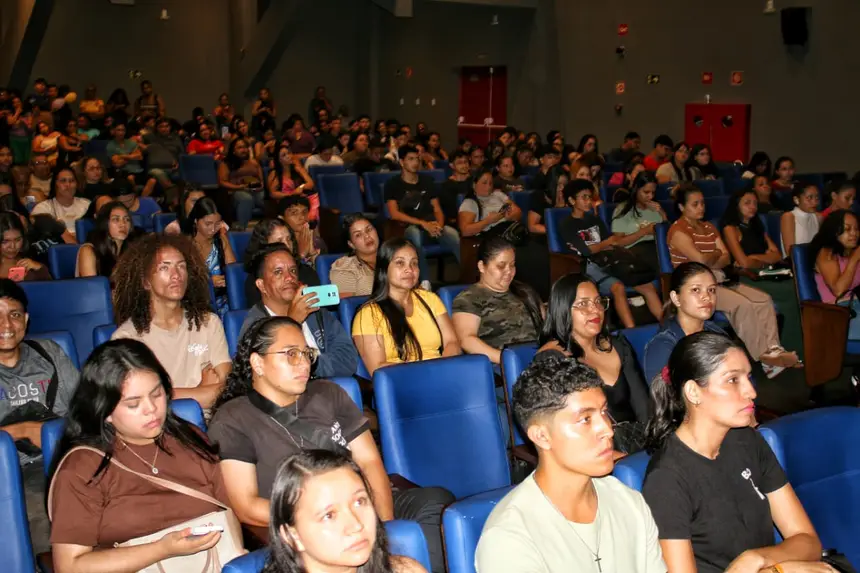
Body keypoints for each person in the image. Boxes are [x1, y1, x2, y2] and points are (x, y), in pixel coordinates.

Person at [208, 316, 455, 573]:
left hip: (360, 501)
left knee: (435, 501)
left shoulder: (328, 393)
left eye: (307, 353)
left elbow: (369, 461)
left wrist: (381, 527)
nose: (303, 362)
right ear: (258, 363)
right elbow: (246, 505)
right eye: (291, 354)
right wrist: (317, 515)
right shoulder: (233, 418)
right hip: (305, 520)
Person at [642, 332, 828, 573]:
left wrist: (757, 559)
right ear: (693, 392)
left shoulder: (747, 440)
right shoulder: (667, 478)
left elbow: (808, 541)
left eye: (749, 377)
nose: (751, 391)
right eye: (733, 380)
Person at [48, 339, 232, 572]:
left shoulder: (189, 439)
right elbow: (70, 566)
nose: (151, 409)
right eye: (133, 404)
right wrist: (162, 549)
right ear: (105, 412)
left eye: (157, 395)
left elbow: (231, 509)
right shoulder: (84, 467)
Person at [475, 354, 665, 572]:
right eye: (585, 419)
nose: (607, 429)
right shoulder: (510, 537)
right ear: (542, 436)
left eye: (604, 412)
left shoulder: (629, 502)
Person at [668, 184, 799, 375]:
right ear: (681, 207)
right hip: (695, 287)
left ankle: (773, 350)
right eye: (695, 204)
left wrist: (710, 257)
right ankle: (765, 356)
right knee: (742, 304)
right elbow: (700, 260)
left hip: (720, 279)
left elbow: (727, 257)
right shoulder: (678, 231)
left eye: (702, 203)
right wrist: (713, 255)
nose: (701, 208)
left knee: (763, 299)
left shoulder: (709, 227)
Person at [111, 234, 231, 408]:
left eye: (181, 266)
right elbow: (144, 403)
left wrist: (169, 394)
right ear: (145, 282)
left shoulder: (209, 323)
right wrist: (200, 391)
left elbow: (227, 390)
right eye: (164, 268)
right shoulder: (126, 338)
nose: (176, 275)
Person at [536, 274, 650, 455]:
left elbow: (645, 409)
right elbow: (566, 432)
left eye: (598, 302)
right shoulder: (552, 360)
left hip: (635, 444)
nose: (595, 310)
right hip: (590, 454)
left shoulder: (619, 346)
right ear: (563, 309)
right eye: (583, 304)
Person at [262, 450, 427, 573]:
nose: (356, 525)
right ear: (292, 535)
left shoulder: (406, 570)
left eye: (359, 502)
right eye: (329, 515)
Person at [239, 244, 358, 378]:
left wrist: (313, 363)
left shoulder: (315, 310)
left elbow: (349, 360)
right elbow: (265, 374)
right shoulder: (254, 324)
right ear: (261, 285)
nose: (289, 277)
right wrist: (292, 323)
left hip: (324, 390)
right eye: (278, 272)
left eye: (293, 271)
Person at [558, 179, 663, 328]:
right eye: (584, 197)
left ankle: (666, 325)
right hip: (588, 265)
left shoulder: (594, 219)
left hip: (609, 260)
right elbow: (588, 250)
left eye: (590, 197)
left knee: (647, 286)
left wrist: (602, 245)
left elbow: (611, 241)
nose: (588, 201)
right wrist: (604, 245)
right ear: (571, 200)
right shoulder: (567, 224)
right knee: (618, 287)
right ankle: (631, 330)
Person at [352, 238, 460, 376]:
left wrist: (443, 369)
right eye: (400, 263)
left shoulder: (430, 299)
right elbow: (377, 369)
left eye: (414, 263)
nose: (409, 269)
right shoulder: (368, 315)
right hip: (403, 382)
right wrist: (428, 373)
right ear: (384, 268)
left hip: (441, 374)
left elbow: (452, 342)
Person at [0, 278, 78, 465]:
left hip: (64, 458)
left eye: (15, 315)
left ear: (26, 320)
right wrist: (23, 430)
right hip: (10, 470)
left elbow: (86, 409)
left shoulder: (49, 352)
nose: (7, 325)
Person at [452, 237, 542, 364]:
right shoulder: (469, 298)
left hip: (540, 361)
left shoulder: (524, 291)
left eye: (512, 265)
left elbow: (546, 326)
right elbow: (467, 340)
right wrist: (510, 361)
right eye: (501, 266)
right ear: (482, 266)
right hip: (502, 367)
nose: (509, 271)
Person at [642, 262, 731, 384]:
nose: (707, 297)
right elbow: (665, 398)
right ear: (676, 298)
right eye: (696, 290)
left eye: (711, 290)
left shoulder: (717, 332)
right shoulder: (663, 347)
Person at [384, 145, 460, 281]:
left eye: (417, 159)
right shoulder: (392, 184)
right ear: (402, 162)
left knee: (453, 235)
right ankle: (425, 282)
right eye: (411, 159)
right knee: (414, 235)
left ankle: (473, 279)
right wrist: (422, 223)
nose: (415, 162)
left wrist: (439, 226)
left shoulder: (427, 181)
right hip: (408, 227)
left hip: (431, 225)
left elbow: (437, 209)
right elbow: (394, 214)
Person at [810, 210, 860, 341]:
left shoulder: (850, 251)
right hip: (837, 313)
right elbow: (838, 290)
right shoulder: (826, 252)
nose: (854, 233)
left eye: (856, 229)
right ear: (834, 231)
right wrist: (854, 260)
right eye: (847, 229)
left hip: (855, 306)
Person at [182, 197, 235, 319]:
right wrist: (209, 282)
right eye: (207, 224)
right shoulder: (185, 245)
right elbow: (183, 280)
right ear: (196, 221)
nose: (212, 229)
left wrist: (224, 239)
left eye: (217, 224)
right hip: (194, 303)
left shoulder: (221, 242)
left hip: (223, 302)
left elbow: (232, 273)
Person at [611, 171, 667, 271]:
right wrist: (644, 232)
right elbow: (617, 242)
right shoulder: (623, 209)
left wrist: (662, 213)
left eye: (653, 192)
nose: (650, 196)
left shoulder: (656, 208)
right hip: (635, 251)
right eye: (646, 192)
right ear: (636, 189)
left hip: (658, 248)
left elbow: (669, 235)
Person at [76, 201, 141, 280]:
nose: (123, 224)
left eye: (127, 219)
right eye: (116, 219)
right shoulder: (88, 251)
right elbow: (93, 289)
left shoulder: (133, 249)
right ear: (105, 223)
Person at [218, 137, 265, 231]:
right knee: (246, 198)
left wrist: (260, 186)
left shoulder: (254, 162)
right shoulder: (226, 163)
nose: (243, 150)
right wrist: (239, 187)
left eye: (244, 147)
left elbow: (261, 180)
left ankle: (267, 228)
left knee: (264, 199)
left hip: (255, 190)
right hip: (236, 191)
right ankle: (242, 228)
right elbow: (222, 182)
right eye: (239, 148)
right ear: (233, 151)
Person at [458, 169, 521, 237]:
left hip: (511, 231)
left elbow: (518, 212)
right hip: (492, 238)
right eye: (484, 183)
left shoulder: (498, 194)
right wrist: (488, 221)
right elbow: (465, 231)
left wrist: (510, 216)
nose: (488, 187)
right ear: (474, 184)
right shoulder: (470, 202)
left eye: (490, 183)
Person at [31, 167, 90, 240]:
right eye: (63, 181)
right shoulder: (43, 208)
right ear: (55, 184)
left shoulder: (87, 204)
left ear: (76, 184)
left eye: (72, 181)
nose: (68, 184)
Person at [330, 214, 378, 298]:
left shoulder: (393, 257)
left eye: (369, 229)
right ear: (351, 244)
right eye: (358, 235)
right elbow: (348, 306)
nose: (367, 236)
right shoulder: (346, 267)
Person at [143, 117, 183, 203]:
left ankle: (171, 204)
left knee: (153, 181)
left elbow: (182, 153)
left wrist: (179, 162)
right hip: (155, 168)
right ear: (157, 128)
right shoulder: (150, 137)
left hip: (172, 169)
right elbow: (135, 140)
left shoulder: (176, 139)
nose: (164, 129)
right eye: (161, 126)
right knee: (157, 174)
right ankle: (172, 197)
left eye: (167, 126)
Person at [0, 212, 51, 281]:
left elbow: (51, 289)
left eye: (18, 240)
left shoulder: (31, 265)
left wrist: (40, 269)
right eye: (5, 241)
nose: (13, 246)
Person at [280, 194, 326, 267]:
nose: (302, 217)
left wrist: (312, 252)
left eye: (304, 212)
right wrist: (301, 255)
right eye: (294, 213)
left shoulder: (318, 243)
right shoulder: (281, 244)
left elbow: (323, 274)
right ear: (282, 218)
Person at [780, 184, 821, 257]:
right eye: (809, 198)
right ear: (796, 200)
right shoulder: (789, 217)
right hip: (797, 263)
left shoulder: (818, 217)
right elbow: (791, 252)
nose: (815, 202)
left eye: (817, 197)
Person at [107, 123, 149, 192]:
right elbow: (117, 164)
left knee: (152, 180)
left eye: (123, 130)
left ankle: (143, 199)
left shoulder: (131, 142)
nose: (121, 132)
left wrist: (121, 156)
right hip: (125, 171)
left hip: (139, 170)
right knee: (130, 178)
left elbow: (140, 157)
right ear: (114, 131)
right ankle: (135, 197)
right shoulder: (110, 145)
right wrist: (132, 155)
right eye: (118, 130)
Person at [439, 150, 472, 224]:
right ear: (452, 165)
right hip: (457, 222)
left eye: (465, 162)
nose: (464, 165)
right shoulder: (447, 186)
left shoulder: (474, 181)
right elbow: (451, 213)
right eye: (460, 163)